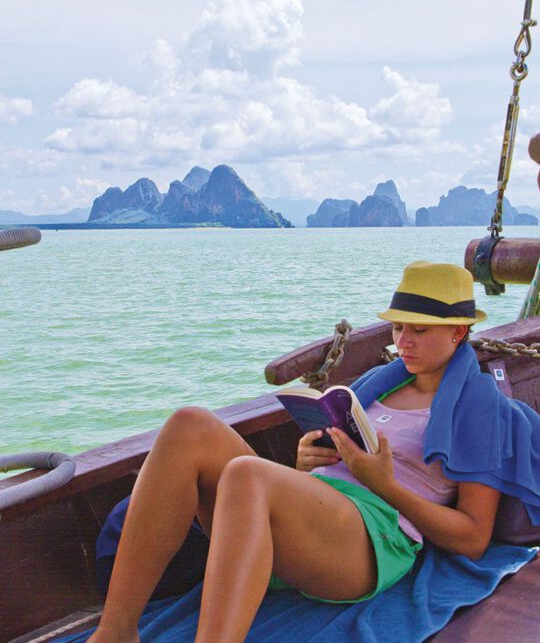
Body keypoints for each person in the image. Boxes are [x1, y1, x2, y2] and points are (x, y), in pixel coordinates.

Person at [88, 261, 503, 643]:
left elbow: (473, 539)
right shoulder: (382, 382)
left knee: (247, 474)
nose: (404, 342)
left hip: (374, 536)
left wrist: (386, 486)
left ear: (458, 332)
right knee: (189, 424)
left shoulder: (477, 408)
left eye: (420, 330)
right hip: (321, 514)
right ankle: (116, 632)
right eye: (398, 328)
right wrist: (307, 462)